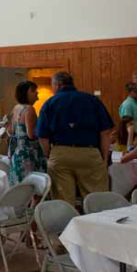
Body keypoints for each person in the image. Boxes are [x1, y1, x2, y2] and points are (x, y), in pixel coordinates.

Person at [36, 71, 113, 206]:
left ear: (58, 85)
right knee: (97, 199)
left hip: (60, 153)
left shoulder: (50, 103)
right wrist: (104, 158)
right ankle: (98, 225)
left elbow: (43, 136)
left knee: (63, 201)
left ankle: (67, 225)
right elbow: (105, 132)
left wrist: (50, 154)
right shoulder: (92, 100)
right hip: (89, 152)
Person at [8, 81, 47, 185]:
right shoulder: (29, 110)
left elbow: (10, 130)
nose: (37, 95)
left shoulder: (16, 108)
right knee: (33, 187)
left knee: (21, 186)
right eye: (34, 92)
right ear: (26, 93)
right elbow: (31, 134)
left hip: (17, 151)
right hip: (29, 154)